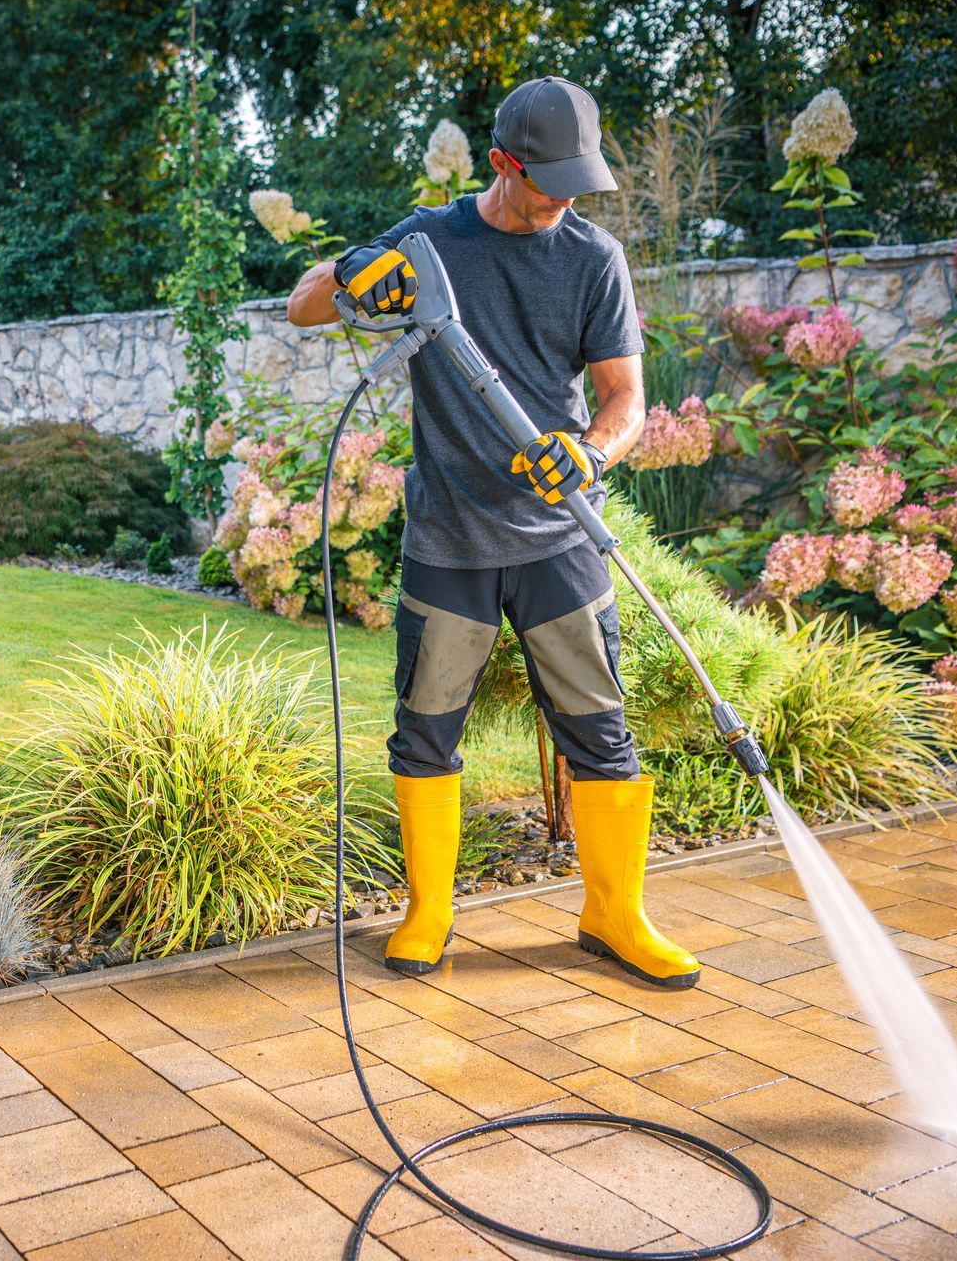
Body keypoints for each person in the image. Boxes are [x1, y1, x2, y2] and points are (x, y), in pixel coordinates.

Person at [286, 76, 698, 989]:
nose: (564, 203)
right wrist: (354, 275)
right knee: (425, 733)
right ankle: (430, 910)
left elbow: (626, 400)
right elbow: (304, 304)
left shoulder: (594, 257)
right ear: (504, 162)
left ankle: (614, 913)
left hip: (559, 536)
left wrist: (591, 453)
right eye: (549, 183)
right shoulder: (431, 241)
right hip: (450, 542)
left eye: (577, 186)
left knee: (601, 731)